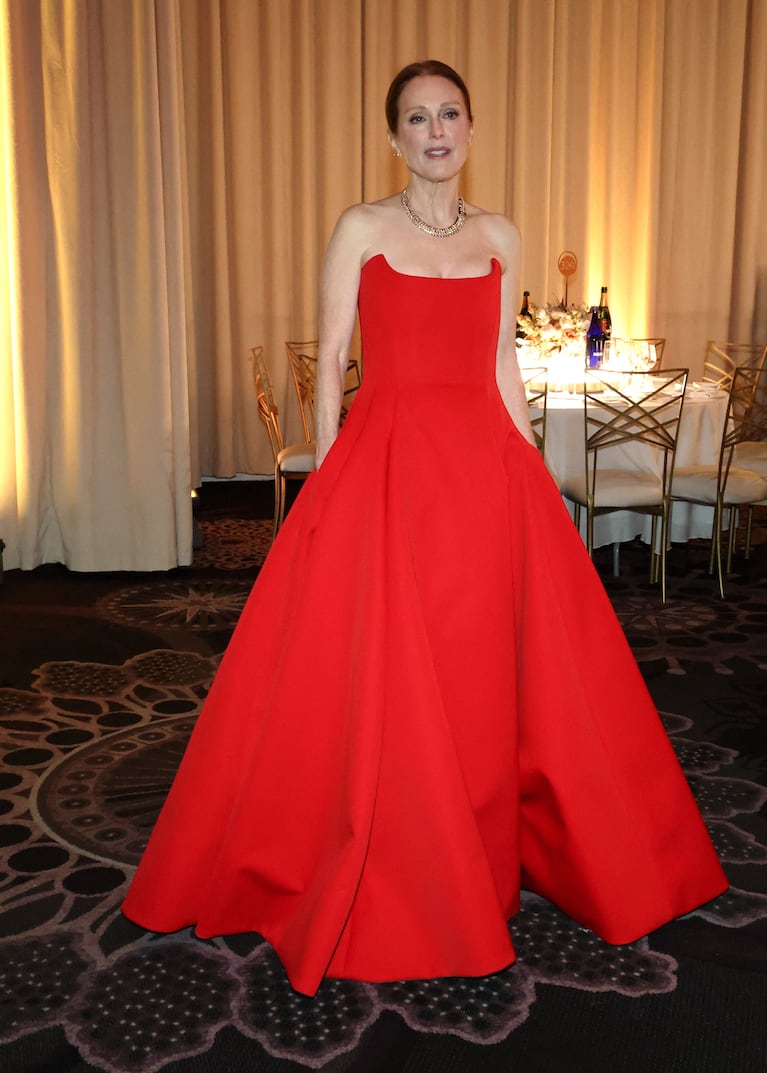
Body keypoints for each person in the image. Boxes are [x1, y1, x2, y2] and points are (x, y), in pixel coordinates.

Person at [123, 60, 727, 997]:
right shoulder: (361, 228)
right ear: (394, 136)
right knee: (383, 668)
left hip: (483, 475)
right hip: (389, 466)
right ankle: (396, 861)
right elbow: (328, 360)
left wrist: (529, 468)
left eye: (449, 115)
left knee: (484, 665)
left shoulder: (499, 236)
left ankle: (489, 850)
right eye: (417, 117)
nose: (435, 130)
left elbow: (499, 365)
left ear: (472, 129)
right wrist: (327, 478)